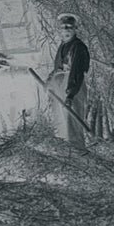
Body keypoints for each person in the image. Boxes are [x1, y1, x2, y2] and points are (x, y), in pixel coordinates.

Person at [48, 12, 90, 149]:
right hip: (61, 86)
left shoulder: (78, 47)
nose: (66, 29)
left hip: (73, 87)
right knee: (62, 120)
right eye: (63, 26)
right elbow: (58, 68)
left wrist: (70, 94)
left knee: (73, 120)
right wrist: (49, 80)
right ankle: (67, 150)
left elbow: (76, 72)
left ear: (75, 28)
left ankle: (78, 150)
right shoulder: (63, 45)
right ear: (59, 29)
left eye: (70, 26)